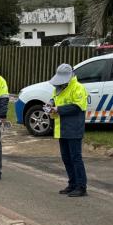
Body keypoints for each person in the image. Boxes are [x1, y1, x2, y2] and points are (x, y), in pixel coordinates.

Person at [49, 63, 88, 197]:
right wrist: (51, 104)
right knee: (66, 158)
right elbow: (55, 99)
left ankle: (81, 186)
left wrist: (58, 109)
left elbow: (77, 106)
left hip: (74, 128)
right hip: (61, 128)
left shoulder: (78, 88)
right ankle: (72, 184)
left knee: (75, 157)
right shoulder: (58, 88)